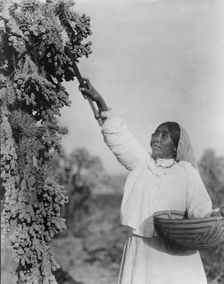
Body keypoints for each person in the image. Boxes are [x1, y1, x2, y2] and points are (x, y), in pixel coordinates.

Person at [79, 79, 213, 284]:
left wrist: (208, 218)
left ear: (176, 147)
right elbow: (120, 138)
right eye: (155, 133)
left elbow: (200, 211)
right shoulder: (142, 163)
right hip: (142, 251)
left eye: (164, 135)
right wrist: (100, 101)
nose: (156, 138)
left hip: (177, 252)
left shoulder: (188, 174)